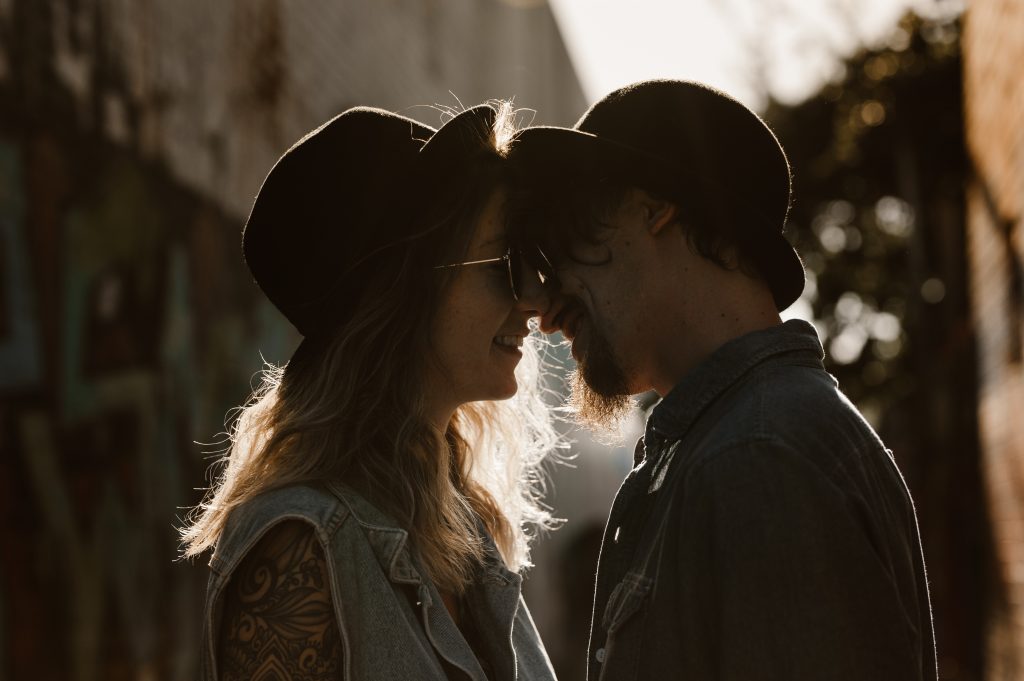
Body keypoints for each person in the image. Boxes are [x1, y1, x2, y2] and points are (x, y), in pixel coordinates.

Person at [507, 79, 938, 681]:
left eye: (558, 249)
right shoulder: (739, 443)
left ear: (653, 206)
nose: (547, 313)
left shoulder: (758, 456)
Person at [180, 102, 561, 680]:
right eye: (503, 264)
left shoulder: (464, 526)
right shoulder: (299, 553)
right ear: (405, 293)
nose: (533, 300)